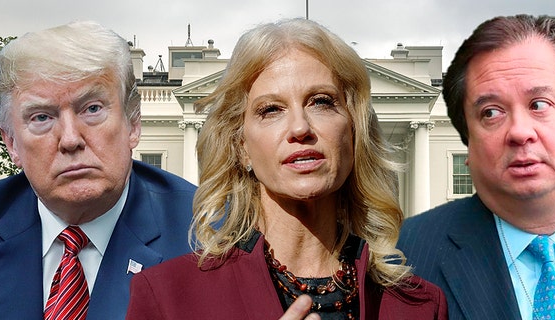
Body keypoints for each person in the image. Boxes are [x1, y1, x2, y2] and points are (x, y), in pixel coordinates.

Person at [126, 18, 447, 320]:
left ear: (354, 132)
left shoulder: (420, 307)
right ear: (241, 147)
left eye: (321, 101)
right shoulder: (167, 297)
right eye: (271, 110)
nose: (300, 127)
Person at [397, 14, 555, 319]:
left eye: (539, 104)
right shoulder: (406, 256)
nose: (519, 131)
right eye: (491, 113)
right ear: (468, 142)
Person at [0, 21, 197, 319]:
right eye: (42, 117)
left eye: (92, 109)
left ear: (133, 124)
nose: (70, 139)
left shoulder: (206, 239)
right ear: (12, 142)